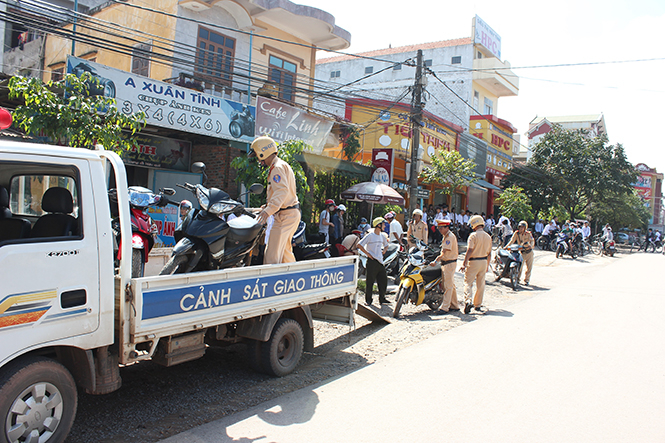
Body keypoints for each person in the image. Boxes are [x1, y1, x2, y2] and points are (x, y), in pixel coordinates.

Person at [249, 135, 300, 264]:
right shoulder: (280, 165)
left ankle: (269, 282)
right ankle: (294, 278)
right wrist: (267, 207)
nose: (259, 162)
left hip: (284, 216)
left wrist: (268, 211)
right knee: (284, 253)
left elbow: (282, 191)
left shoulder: (277, 167)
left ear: (263, 153)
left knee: (272, 255)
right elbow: (281, 192)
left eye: (258, 157)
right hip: (289, 213)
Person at [460, 215, 493, 314]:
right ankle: (477, 304)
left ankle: (468, 300)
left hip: (473, 261)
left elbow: (470, 249)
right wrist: (487, 265)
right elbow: (489, 253)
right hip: (483, 261)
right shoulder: (488, 236)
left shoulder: (473, 236)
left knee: (468, 282)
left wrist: (464, 263)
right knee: (481, 284)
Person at [357, 217, 390, 305]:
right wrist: (367, 254)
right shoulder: (370, 236)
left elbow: (386, 245)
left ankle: (382, 299)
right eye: (383, 224)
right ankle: (368, 300)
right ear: (378, 225)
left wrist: (384, 251)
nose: (384, 226)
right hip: (372, 261)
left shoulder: (382, 236)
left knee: (383, 280)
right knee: (370, 282)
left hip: (380, 262)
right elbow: (359, 245)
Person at [430, 219, 460, 314]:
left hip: (449, 263)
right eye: (438, 228)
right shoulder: (446, 236)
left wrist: (435, 261)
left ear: (447, 227)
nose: (439, 230)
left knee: (448, 286)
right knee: (451, 285)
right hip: (447, 263)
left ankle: (445, 307)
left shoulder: (449, 237)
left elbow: (444, 252)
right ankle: (454, 305)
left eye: (441, 228)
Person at [505, 220, 535, 285]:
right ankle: (517, 279)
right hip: (522, 252)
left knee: (529, 267)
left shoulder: (528, 234)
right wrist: (506, 247)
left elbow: (532, 241)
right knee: (519, 267)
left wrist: (531, 246)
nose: (521, 228)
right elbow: (512, 241)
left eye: (522, 227)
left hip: (529, 252)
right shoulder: (516, 233)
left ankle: (527, 280)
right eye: (520, 227)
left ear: (525, 228)